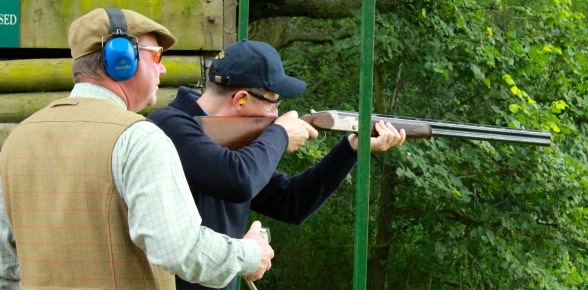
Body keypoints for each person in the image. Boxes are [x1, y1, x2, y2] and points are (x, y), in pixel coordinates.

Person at [0, 8, 273, 290]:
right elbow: (179, 249)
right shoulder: (138, 138)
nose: (163, 68)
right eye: (155, 56)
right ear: (122, 59)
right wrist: (249, 254)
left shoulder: (17, 141)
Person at [147, 39, 406, 290]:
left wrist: (350, 149)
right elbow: (238, 180)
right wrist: (279, 134)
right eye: (274, 103)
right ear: (240, 99)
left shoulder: (235, 148)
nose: (275, 114)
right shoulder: (169, 126)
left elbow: (292, 202)